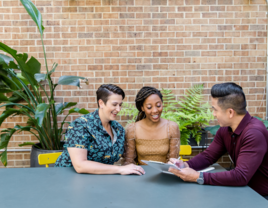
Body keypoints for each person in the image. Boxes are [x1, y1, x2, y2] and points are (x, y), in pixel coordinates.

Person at [168, 82, 268, 199]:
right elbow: (208, 156)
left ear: (230, 112)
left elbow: (240, 176)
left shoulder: (254, 133)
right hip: (243, 191)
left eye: (215, 110)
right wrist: (185, 165)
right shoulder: (225, 129)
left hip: (261, 197)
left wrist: (198, 176)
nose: (213, 114)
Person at [55, 84, 145, 176]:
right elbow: (80, 165)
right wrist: (120, 169)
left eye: (120, 105)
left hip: (100, 180)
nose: (118, 109)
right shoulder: (80, 126)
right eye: (114, 104)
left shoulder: (119, 130)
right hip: (67, 179)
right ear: (101, 103)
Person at [123, 86, 180, 165]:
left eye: (158, 105)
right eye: (149, 107)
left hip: (164, 175)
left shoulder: (171, 127)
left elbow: (173, 162)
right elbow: (129, 163)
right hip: (141, 174)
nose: (155, 110)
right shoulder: (132, 129)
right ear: (142, 108)